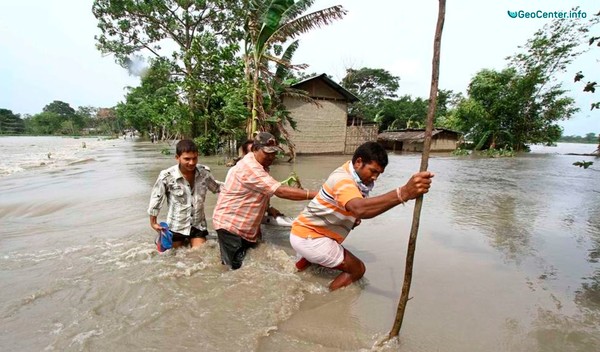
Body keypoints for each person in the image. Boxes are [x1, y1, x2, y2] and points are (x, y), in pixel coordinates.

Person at [290, 141, 434, 291]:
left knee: (324, 256)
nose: (375, 177)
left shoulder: (351, 175)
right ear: (359, 162)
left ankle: (298, 268)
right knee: (358, 269)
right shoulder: (342, 180)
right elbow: (360, 209)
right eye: (373, 171)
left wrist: (351, 218)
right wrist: (403, 193)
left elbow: (355, 207)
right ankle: (325, 298)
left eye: (379, 173)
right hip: (310, 237)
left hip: (303, 231)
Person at [213, 132, 318, 269]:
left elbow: (257, 191)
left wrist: (268, 208)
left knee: (249, 264)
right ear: (255, 149)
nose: (271, 156)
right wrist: (317, 194)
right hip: (231, 225)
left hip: (246, 226)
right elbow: (280, 191)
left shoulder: (260, 165)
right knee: (234, 270)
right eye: (267, 152)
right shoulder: (250, 168)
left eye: (274, 153)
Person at [148, 139, 221, 249]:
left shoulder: (204, 173)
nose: (191, 163)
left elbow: (217, 188)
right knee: (172, 256)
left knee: (199, 254)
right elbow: (156, 198)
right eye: (187, 159)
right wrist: (153, 223)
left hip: (198, 226)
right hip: (176, 226)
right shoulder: (167, 176)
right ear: (177, 158)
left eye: (194, 158)